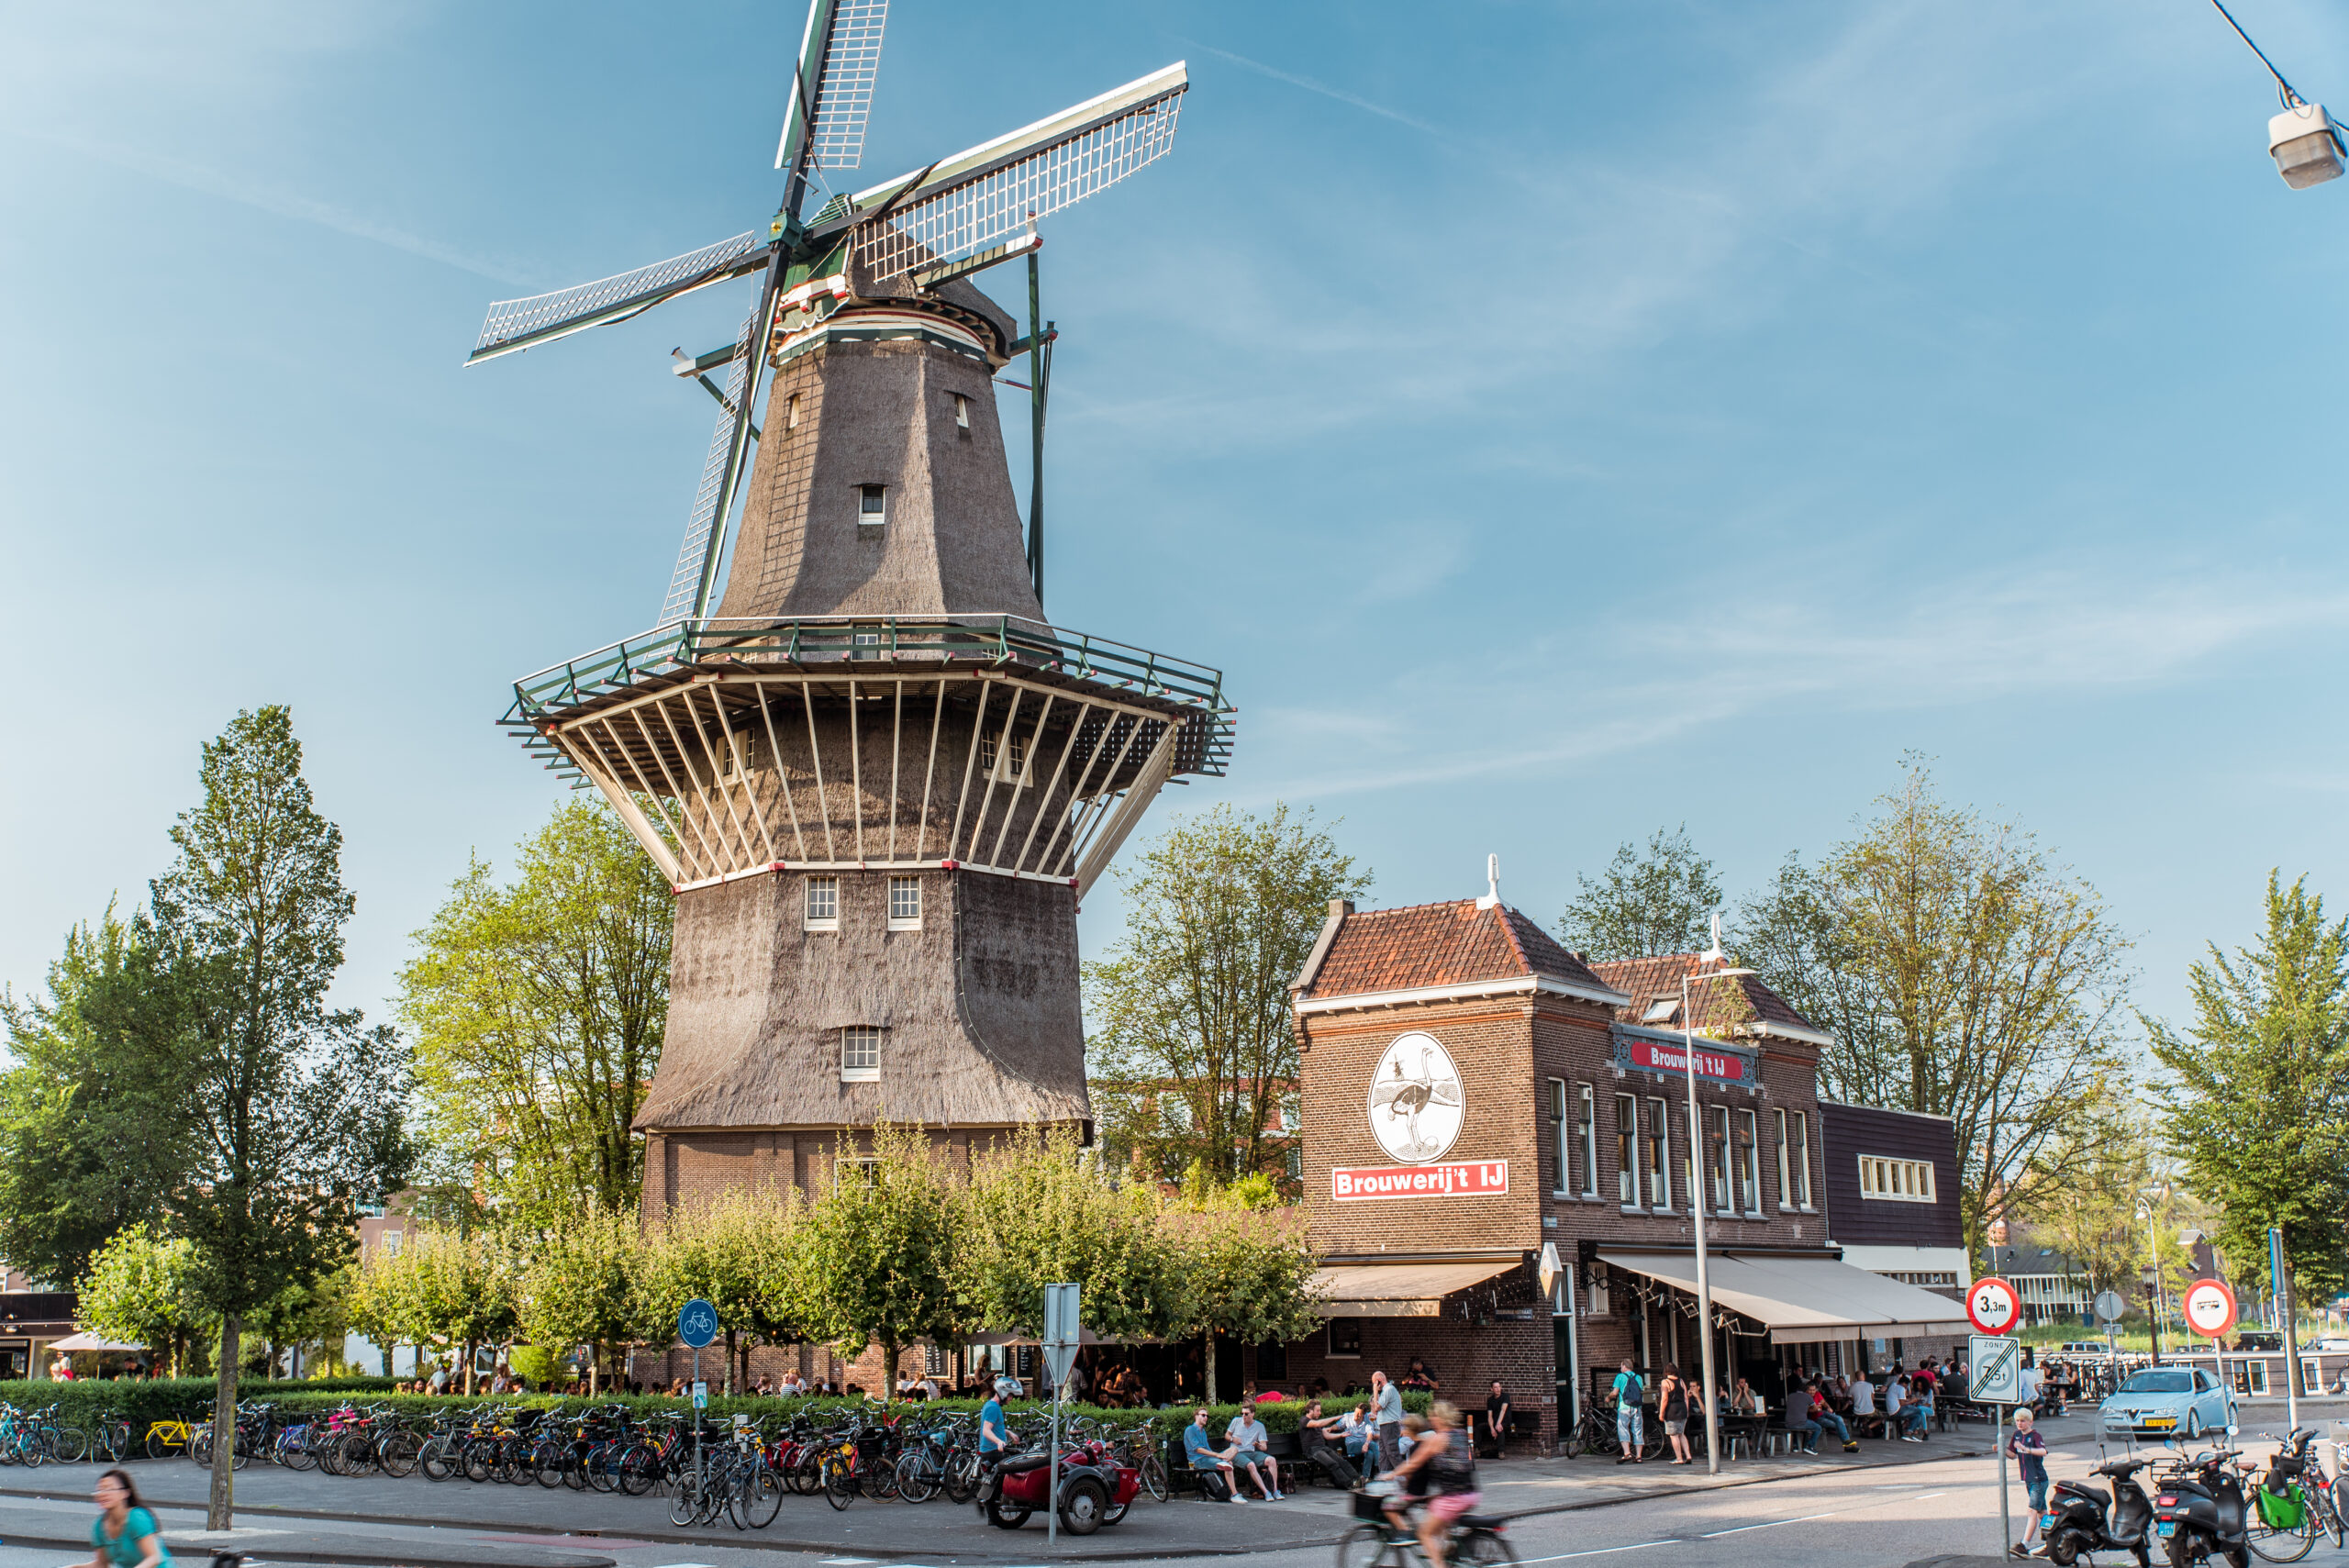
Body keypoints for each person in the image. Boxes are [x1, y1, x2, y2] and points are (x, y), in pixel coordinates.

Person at [1385, 1402, 1480, 1568]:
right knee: (1434, 1509)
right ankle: (1450, 1547)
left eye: (1434, 1416)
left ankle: (1439, 1564)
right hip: (1470, 1493)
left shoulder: (1438, 1439)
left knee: (1424, 1533)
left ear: (1441, 1419)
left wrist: (1391, 1474)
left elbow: (1413, 1464)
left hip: (1452, 1498)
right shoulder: (1461, 1434)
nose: (1432, 1419)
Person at [89, 1468, 171, 1568]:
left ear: (125, 1493)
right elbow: (101, 1564)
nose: (103, 1494)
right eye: (100, 1490)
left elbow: (154, 1558)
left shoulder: (137, 1517)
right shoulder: (99, 1525)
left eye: (109, 1489)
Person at [2008, 1407, 2050, 1558]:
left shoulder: (2035, 1436)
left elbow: (2043, 1451)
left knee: (2031, 1511)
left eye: (2023, 1421)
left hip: (2038, 1479)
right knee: (2042, 1513)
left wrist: (2027, 1449)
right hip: (2028, 1479)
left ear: (2030, 1422)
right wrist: (2000, 1449)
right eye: (2017, 1421)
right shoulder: (2017, 1435)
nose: (2019, 1423)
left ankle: (2024, 1544)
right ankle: (2050, 1542)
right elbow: (2012, 1454)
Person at [1182, 1407, 1242, 1503]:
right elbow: (1198, 1449)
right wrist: (1217, 1455)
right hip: (1198, 1460)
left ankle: (1224, 1462)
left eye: (1207, 1416)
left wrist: (1218, 1456)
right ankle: (1235, 1494)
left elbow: (1207, 1449)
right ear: (1196, 1416)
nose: (1206, 1417)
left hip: (1208, 1458)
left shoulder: (1203, 1431)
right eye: (1203, 1415)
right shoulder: (1190, 1430)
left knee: (1234, 1449)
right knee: (1228, 1464)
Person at [975, 1375, 1017, 1514]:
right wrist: (999, 1441)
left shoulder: (991, 1406)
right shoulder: (993, 1408)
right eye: (1010, 1395)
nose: (1011, 1399)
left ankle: (984, 1502)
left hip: (989, 1450)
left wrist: (1008, 1432)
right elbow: (986, 1430)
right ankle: (995, 1510)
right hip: (993, 1450)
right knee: (1007, 1478)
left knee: (993, 1481)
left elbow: (993, 1427)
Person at [1298, 1399, 1360, 1490]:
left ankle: (1358, 1480)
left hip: (1323, 1447)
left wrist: (1340, 1435)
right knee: (1332, 1464)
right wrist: (1335, 1418)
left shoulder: (1316, 1421)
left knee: (1342, 1461)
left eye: (1320, 1410)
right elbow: (1318, 1424)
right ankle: (1350, 1484)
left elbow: (1326, 1436)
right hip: (1312, 1450)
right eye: (1318, 1410)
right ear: (1310, 1410)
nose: (1320, 1413)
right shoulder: (1304, 1420)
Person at [1226, 1403, 1280, 1500]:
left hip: (1251, 1452)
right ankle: (1266, 1492)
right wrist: (1232, 1439)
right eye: (1242, 1413)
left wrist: (1259, 1445)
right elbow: (1227, 1435)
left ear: (1253, 1414)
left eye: (1246, 1414)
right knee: (1251, 1465)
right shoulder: (1236, 1421)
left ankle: (1275, 1490)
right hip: (1236, 1452)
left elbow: (1264, 1447)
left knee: (1272, 1460)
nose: (1243, 1416)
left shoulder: (1259, 1426)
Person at [1609, 1359, 1646, 1465]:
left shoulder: (1620, 1377)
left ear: (1625, 1367)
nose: (1621, 1368)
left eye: (1621, 1366)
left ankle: (1627, 1453)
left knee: (1623, 1428)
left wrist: (1608, 1397)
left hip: (1624, 1406)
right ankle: (1639, 1456)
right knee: (1638, 1430)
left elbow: (1615, 1393)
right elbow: (1640, 1391)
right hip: (1637, 1407)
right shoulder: (1638, 1377)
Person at [1808, 1382, 1858, 1452]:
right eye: (1810, 1390)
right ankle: (1847, 1446)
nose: (1812, 1392)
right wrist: (1814, 1409)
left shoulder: (1817, 1394)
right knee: (1836, 1424)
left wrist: (1828, 1407)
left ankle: (1847, 1441)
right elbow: (1806, 1411)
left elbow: (1824, 1403)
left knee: (1839, 1419)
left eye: (1813, 1390)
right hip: (1815, 1418)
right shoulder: (1805, 1397)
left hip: (1823, 1413)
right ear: (1807, 1390)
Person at [1658, 1365, 1693, 1465]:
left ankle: (1679, 1458)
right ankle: (1688, 1455)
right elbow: (1686, 1397)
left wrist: (1661, 1413)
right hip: (1682, 1408)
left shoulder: (1665, 1382)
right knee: (1681, 1433)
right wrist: (1686, 1410)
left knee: (1674, 1435)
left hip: (1671, 1410)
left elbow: (1664, 1399)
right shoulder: (1681, 1381)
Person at [1373, 1369, 1405, 1473]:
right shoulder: (1387, 1391)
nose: (1374, 1384)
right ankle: (1384, 1476)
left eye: (1374, 1382)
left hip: (1390, 1425)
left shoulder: (1388, 1390)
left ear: (1379, 1380)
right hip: (1384, 1425)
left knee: (1392, 1452)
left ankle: (1405, 1475)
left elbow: (1377, 1407)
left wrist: (1375, 1391)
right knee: (1383, 1453)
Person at [1481, 1381, 1510, 1461]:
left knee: (1499, 1428)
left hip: (1505, 1422)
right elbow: (1490, 1416)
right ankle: (1476, 1449)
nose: (1498, 1389)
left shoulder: (1506, 1396)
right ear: (1491, 1389)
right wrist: (1492, 1428)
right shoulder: (1490, 1400)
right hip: (1494, 1423)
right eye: (1495, 1387)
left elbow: (1503, 1410)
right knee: (1479, 1427)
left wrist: (1498, 1423)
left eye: (1499, 1387)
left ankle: (1501, 1452)